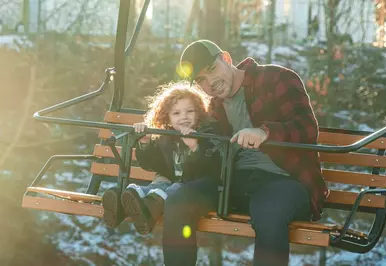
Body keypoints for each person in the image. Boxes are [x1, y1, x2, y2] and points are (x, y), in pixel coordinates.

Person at [160, 39, 330, 266]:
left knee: (268, 214)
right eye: (201, 79)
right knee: (178, 199)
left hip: (284, 181)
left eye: (212, 70)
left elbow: (307, 126)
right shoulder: (214, 107)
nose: (210, 83)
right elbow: (212, 157)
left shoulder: (276, 79)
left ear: (227, 59)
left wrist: (265, 133)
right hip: (235, 182)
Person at [101, 81, 222, 236]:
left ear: (199, 112)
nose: (184, 117)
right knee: (157, 186)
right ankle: (120, 200)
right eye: (176, 113)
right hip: (166, 181)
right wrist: (144, 142)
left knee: (163, 192)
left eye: (189, 111)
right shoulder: (165, 136)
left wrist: (194, 148)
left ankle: (141, 210)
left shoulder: (206, 134)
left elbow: (212, 168)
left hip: (189, 189)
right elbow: (151, 164)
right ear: (167, 117)